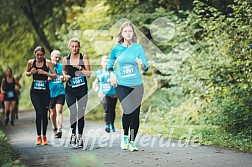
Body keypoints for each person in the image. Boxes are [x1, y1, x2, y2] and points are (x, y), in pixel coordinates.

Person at [107, 22, 148, 152]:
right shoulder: (116, 48)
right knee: (128, 109)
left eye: (130, 31)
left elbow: (146, 67)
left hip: (137, 84)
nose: (128, 33)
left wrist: (142, 65)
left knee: (135, 114)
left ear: (133, 33)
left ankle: (131, 141)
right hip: (122, 84)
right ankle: (125, 136)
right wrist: (112, 74)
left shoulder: (138, 48)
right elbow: (110, 64)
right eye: (126, 31)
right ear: (122, 34)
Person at [62, 38, 91, 148]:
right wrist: (65, 76)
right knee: (73, 112)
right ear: (69, 47)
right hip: (70, 89)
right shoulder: (66, 59)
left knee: (80, 114)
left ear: (79, 47)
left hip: (82, 89)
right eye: (72, 46)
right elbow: (64, 70)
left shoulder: (84, 57)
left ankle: (80, 136)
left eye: (76, 46)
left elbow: (88, 73)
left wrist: (79, 67)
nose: (75, 48)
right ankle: (73, 133)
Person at [26, 46, 56, 145]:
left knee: (44, 114)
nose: (39, 57)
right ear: (35, 54)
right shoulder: (31, 62)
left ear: (44, 55)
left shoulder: (48, 63)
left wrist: (45, 73)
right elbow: (27, 73)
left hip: (45, 92)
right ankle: (38, 136)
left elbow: (54, 75)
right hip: (34, 92)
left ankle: (44, 136)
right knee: (38, 112)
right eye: (37, 55)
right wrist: (31, 72)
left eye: (41, 55)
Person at [92, 56, 117, 133]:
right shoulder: (99, 72)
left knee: (112, 109)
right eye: (104, 62)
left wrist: (113, 80)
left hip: (113, 93)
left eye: (107, 62)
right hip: (102, 93)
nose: (106, 64)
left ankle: (112, 124)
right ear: (101, 63)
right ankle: (107, 125)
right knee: (106, 108)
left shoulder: (113, 71)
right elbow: (96, 81)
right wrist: (95, 85)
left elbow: (117, 80)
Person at [48, 50, 65, 138]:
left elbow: (66, 77)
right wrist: (50, 77)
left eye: (59, 57)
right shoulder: (47, 66)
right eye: (56, 57)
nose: (57, 59)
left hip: (60, 92)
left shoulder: (61, 66)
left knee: (59, 110)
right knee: (52, 112)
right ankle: (54, 128)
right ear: (51, 57)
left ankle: (59, 130)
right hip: (50, 93)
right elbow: (43, 79)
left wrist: (63, 78)